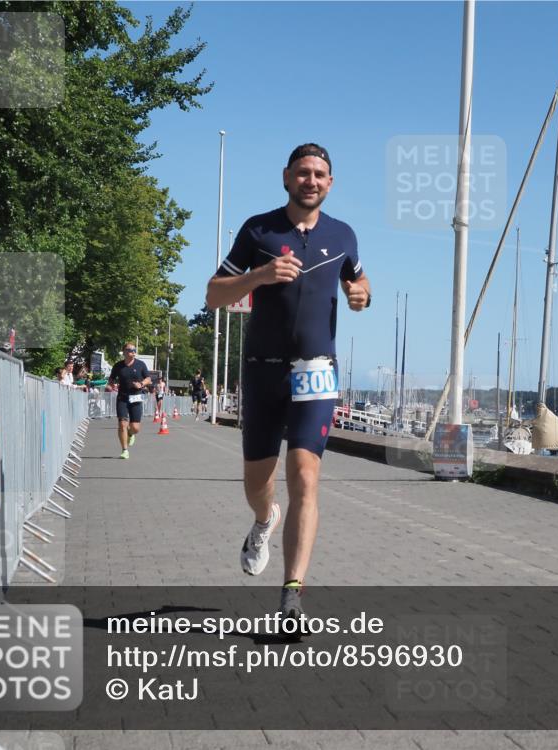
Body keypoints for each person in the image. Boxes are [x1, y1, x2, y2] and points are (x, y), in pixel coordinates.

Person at [205, 143, 371, 627]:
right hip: (262, 369)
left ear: (330, 183)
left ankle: (292, 594)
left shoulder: (343, 234)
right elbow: (213, 295)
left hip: (316, 369)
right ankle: (264, 519)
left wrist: (360, 296)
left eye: (319, 174)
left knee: (305, 475)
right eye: (302, 173)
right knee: (257, 484)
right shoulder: (258, 230)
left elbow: (360, 284)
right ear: (286, 177)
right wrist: (260, 275)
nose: (310, 180)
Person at [108, 343, 152, 459]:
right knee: (122, 424)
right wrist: (110, 385)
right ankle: (124, 450)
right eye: (130, 350)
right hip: (122, 398)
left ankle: (131, 433)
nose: (133, 351)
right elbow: (111, 379)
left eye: (134, 350)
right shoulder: (118, 366)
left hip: (136, 398)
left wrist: (141, 384)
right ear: (124, 352)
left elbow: (148, 378)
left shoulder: (140, 364)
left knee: (135, 428)